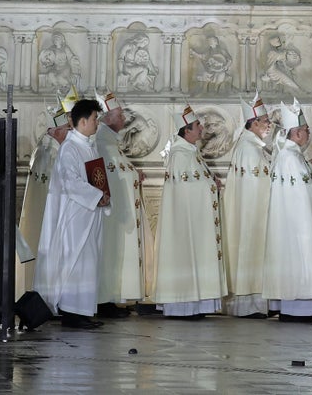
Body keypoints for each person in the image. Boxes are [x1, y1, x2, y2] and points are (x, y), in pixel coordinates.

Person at [34, 98, 111, 329]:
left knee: (89, 261)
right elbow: (71, 182)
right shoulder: (70, 147)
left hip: (90, 213)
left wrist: (104, 195)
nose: (97, 123)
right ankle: (71, 313)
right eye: (95, 119)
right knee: (75, 262)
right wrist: (97, 197)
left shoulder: (89, 145)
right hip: (76, 215)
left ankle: (83, 311)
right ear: (83, 120)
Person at [151, 106, 226, 318]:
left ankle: (197, 306)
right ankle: (183, 307)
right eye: (197, 126)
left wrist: (212, 183)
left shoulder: (192, 153)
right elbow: (185, 190)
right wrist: (211, 186)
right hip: (184, 223)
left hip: (194, 220)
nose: (201, 128)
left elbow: (198, 182)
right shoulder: (179, 155)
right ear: (186, 131)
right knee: (186, 256)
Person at [262, 101, 312, 319]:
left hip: (292, 224)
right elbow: (302, 189)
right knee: (300, 259)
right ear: (298, 133)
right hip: (297, 226)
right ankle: (298, 309)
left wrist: (311, 168)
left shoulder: (290, 155)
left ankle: (298, 309)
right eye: (307, 131)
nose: (309, 134)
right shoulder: (290, 157)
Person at [93, 93, 148, 315]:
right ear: (107, 118)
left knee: (113, 253)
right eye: (119, 114)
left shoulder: (110, 141)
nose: (124, 117)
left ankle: (109, 298)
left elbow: (120, 170)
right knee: (107, 253)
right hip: (108, 211)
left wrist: (135, 173)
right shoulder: (101, 141)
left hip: (115, 212)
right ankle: (103, 301)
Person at [222, 98, 272, 317]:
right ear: (253, 124)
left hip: (253, 212)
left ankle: (255, 304)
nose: (269, 125)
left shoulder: (251, 146)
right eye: (264, 121)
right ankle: (251, 305)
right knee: (252, 250)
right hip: (254, 214)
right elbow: (258, 188)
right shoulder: (250, 149)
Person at [17, 107, 70, 293]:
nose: (70, 134)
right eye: (67, 130)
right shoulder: (50, 151)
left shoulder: (47, 147)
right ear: (55, 131)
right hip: (47, 213)